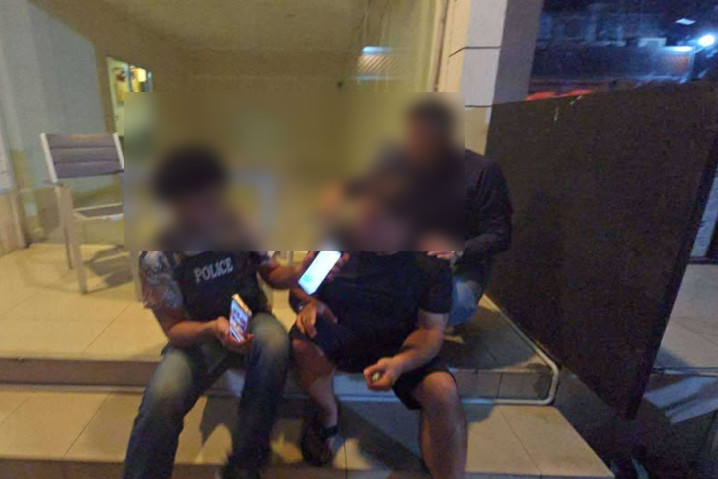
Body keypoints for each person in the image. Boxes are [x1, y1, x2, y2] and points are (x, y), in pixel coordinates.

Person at [123, 146, 342, 479]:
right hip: (197, 334)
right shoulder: (157, 256)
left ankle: (245, 464)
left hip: (252, 318)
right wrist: (213, 328)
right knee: (163, 395)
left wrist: (301, 270)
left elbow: (272, 273)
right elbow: (174, 328)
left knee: (274, 343)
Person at [290, 199, 467, 479]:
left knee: (443, 391)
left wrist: (400, 363)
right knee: (301, 344)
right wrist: (308, 304)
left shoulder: (429, 259)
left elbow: (431, 331)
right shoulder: (338, 245)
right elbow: (299, 290)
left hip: (400, 342)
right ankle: (327, 413)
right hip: (341, 328)